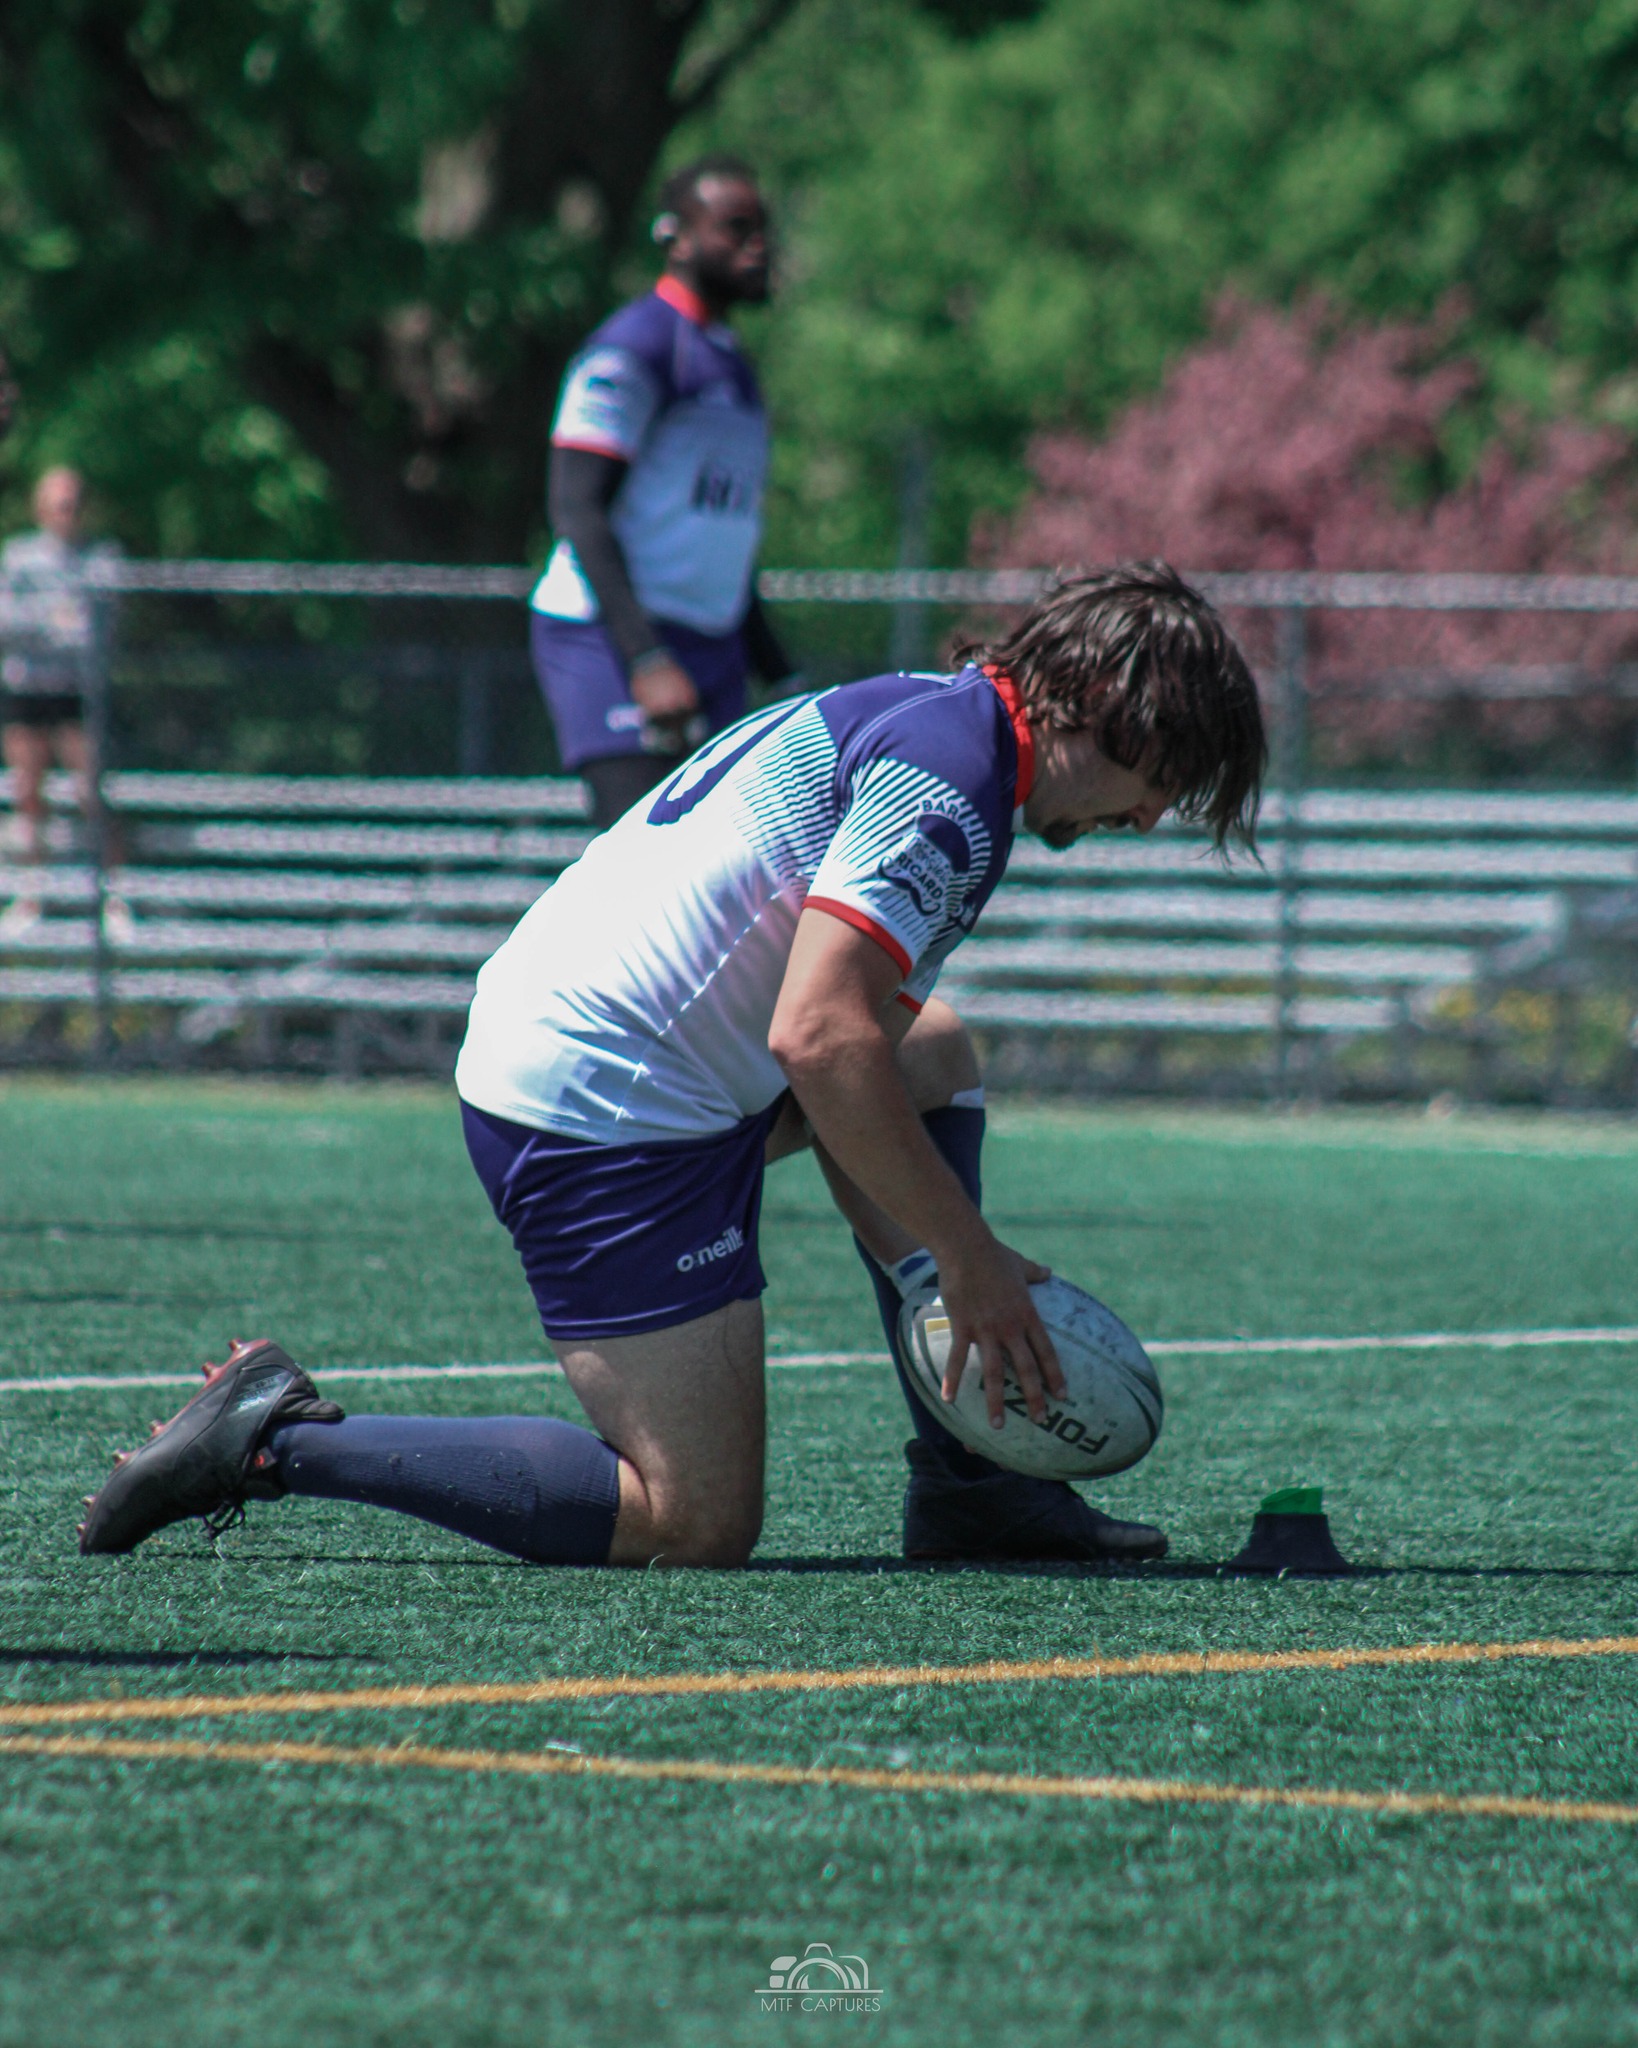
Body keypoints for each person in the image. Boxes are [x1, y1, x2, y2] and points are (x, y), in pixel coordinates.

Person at [78, 565, 1266, 1571]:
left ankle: (974, 1489)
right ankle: (274, 1437)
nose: (1155, 814)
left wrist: (956, 1271)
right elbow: (821, 1035)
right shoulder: (953, 779)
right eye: (1170, 775)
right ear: (1112, 704)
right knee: (692, 1517)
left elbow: (851, 1036)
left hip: (616, 1057)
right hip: (598, 1106)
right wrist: (972, 1264)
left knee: (934, 1051)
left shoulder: (941, 719)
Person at [530, 153, 800, 830]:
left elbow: (717, 539)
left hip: (711, 645)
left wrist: (783, 675)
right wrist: (645, 657)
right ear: (676, 237)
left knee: (735, 876)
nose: (757, 246)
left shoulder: (731, 364)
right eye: (735, 228)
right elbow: (576, 506)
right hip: (612, 639)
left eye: (762, 228)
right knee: (636, 871)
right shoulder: (635, 349)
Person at [0, 467, 124, 935]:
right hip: (28, 689)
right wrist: (54, 621)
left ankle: (112, 895)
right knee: (28, 793)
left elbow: (96, 630)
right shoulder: (19, 556)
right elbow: (8, 624)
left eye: (71, 504)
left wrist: (48, 625)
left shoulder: (101, 558)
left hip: (77, 692)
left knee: (91, 789)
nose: (64, 514)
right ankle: (31, 895)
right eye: (56, 504)